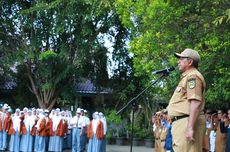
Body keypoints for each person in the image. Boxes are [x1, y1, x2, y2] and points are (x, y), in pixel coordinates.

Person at [166, 48, 206, 152]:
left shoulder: (193, 76)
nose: (178, 61)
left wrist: (190, 128)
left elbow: (195, 102)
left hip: (186, 122)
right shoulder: (187, 77)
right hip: (182, 122)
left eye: (181, 59)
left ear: (190, 61)